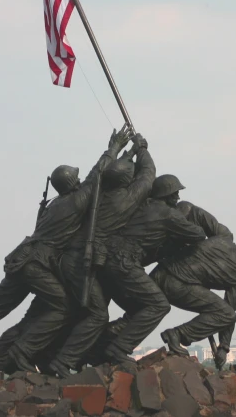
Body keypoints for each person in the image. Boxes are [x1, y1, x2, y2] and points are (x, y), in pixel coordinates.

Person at [0, 127, 130, 376]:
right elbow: (97, 175)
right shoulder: (76, 201)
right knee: (63, 307)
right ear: (72, 183)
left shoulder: (53, 205)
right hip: (37, 264)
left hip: (20, 259)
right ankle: (21, 353)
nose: (79, 181)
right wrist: (114, 148)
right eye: (76, 179)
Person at [46, 133, 155, 378]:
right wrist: (142, 149)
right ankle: (63, 361)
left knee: (88, 310)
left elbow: (101, 172)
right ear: (127, 181)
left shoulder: (94, 193)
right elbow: (147, 177)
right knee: (97, 314)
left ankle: (75, 356)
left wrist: (121, 152)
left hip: (73, 259)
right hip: (80, 262)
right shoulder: (124, 200)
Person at [97, 174, 209, 365]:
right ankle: (118, 349)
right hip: (125, 262)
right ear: (167, 195)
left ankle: (98, 345)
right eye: (175, 194)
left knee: (138, 308)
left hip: (107, 259)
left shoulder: (142, 205)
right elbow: (198, 234)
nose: (178, 198)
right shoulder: (168, 214)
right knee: (159, 306)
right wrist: (188, 218)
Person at [150, 237, 236, 370]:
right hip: (176, 284)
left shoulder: (221, 240)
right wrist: (224, 347)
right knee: (227, 314)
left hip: (159, 272)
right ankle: (177, 334)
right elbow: (229, 313)